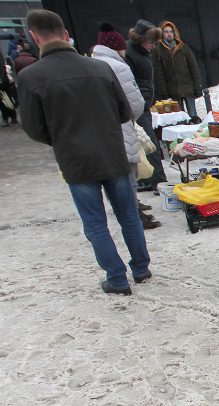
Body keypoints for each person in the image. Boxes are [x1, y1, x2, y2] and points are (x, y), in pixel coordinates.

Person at [18, 9, 151, 295]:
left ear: (34, 36)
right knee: (128, 214)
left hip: (76, 160)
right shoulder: (100, 68)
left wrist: (62, 139)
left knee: (95, 222)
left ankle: (116, 277)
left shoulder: (31, 76)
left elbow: (32, 128)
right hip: (112, 153)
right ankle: (140, 267)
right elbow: (124, 111)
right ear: (65, 33)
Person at [91, 23, 160, 230]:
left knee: (119, 184)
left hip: (102, 135)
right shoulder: (119, 66)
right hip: (122, 128)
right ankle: (134, 218)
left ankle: (132, 213)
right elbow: (135, 104)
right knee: (127, 179)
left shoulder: (91, 63)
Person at [126, 19, 167, 194]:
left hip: (144, 104)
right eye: (151, 42)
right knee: (148, 143)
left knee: (148, 143)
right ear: (141, 40)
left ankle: (153, 179)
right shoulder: (131, 54)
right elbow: (131, 84)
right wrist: (140, 103)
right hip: (137, 107)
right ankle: (157, 181)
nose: (153, 46)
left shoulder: (143, 53)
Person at [153, 20, 202, 121]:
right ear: (162, 33)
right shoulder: (158, 50)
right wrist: (164, 92)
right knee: (179, 119)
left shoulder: (183, 48)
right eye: (166, 32)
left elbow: (194, 68)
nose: (169, 34)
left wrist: (197, 87)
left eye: (171, 31)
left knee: (193, 116)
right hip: (172, 91)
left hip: (187, 88)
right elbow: (159, 74)